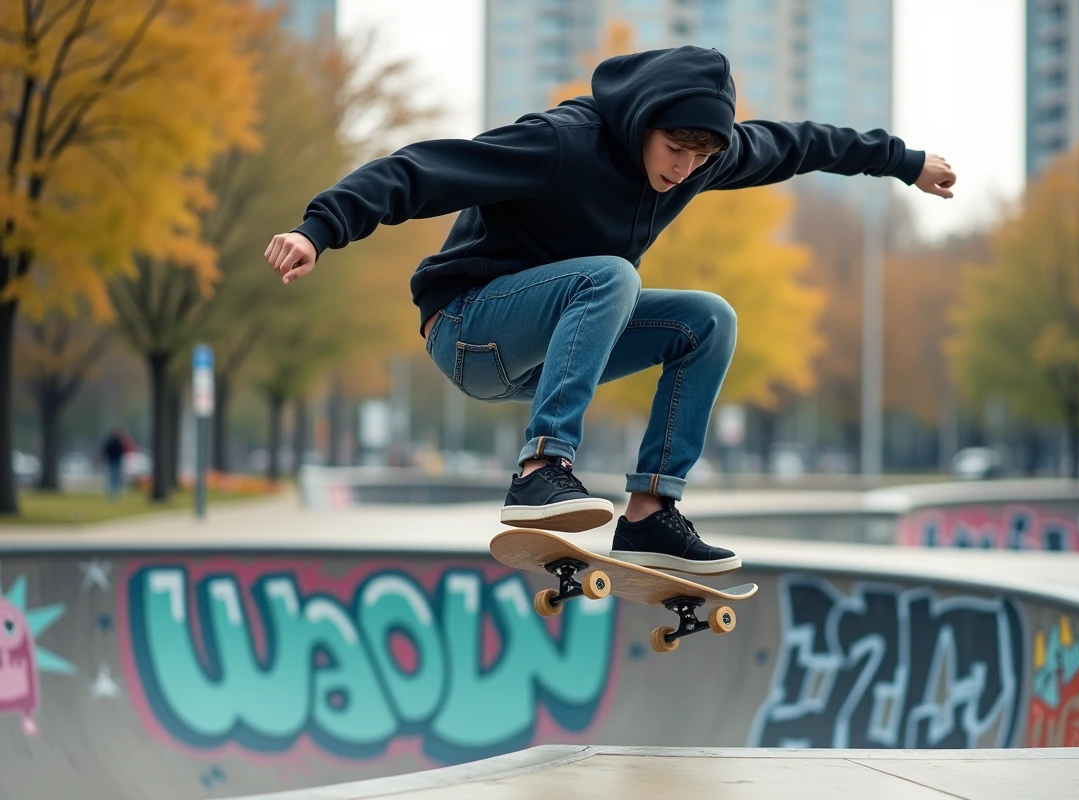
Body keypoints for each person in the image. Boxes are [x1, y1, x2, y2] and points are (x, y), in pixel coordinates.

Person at [264, 46, 955, 576]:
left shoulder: (708, 159)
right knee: (611, 276)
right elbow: (421, 170)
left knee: (707, 319)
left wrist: (906, 161)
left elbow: (803, 145)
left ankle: (652, 512)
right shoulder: (563, 143)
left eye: (699, 157)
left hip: (549, 348)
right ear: (643, 123)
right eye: (674, 150)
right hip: (467, 328)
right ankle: (540, 472)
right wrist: (319, 229)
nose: (683, 170)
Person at [100, 426, 132, 501]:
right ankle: (113, 494)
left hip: (116, 461)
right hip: (113, 461)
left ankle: (114, 494)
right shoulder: (117, 442)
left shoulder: (117, 441)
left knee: (114, 478)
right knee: (114, 478)